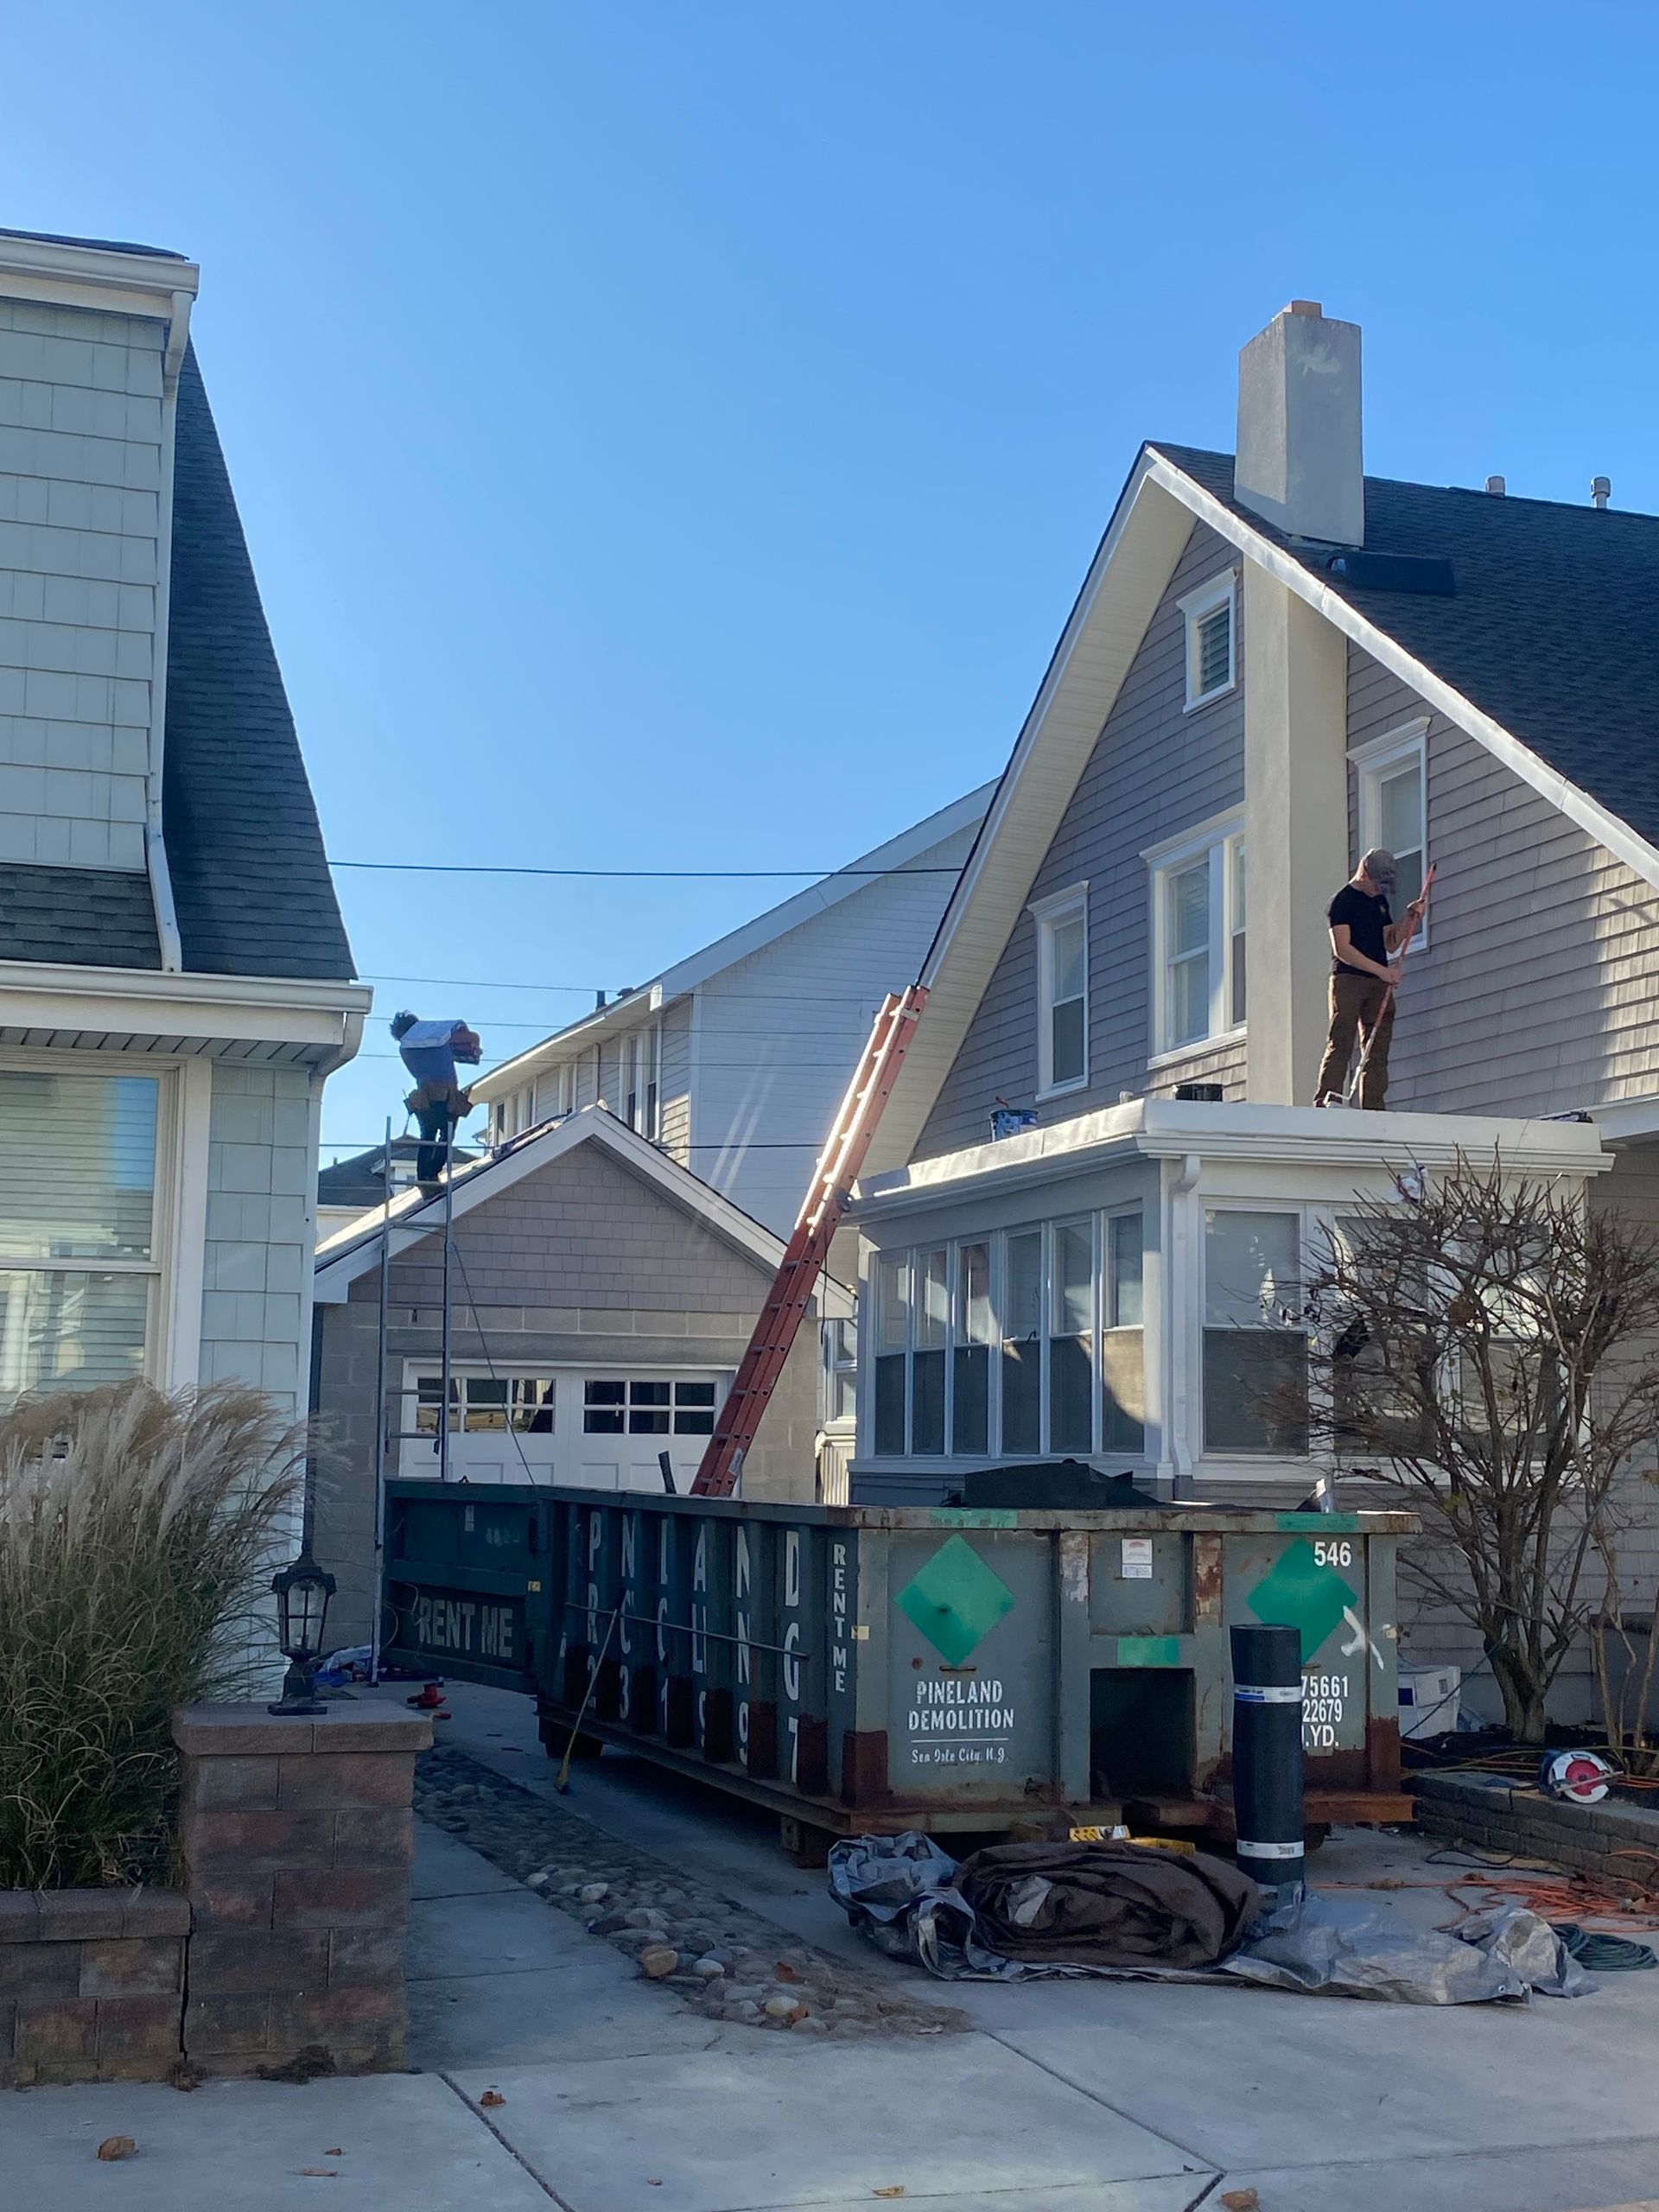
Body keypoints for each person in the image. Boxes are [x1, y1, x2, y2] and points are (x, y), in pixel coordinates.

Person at [1313, 849, 1427, 1110]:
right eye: (1378, 884)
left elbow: (1390, 942)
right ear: (1365, 872)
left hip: (1377, 983)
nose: (1380, 890)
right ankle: (1327, 1100)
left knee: (1376, 1046)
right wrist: (1382, 971)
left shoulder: (1379, 902)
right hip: (1349, 980)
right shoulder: (1342, 902)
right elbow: (1343, 949)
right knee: (1342, 1039)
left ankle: (1373, 1108)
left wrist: (1409, 918)